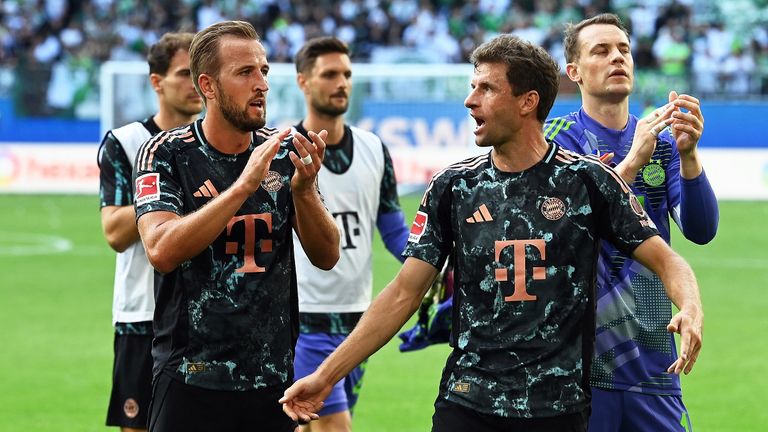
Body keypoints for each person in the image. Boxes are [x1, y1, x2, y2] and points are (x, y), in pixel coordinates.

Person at [281, 34, 703, 432]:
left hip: (557, 408)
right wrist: (324, 376)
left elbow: (668, 260)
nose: (469, 100)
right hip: (468, 402)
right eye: (472, 86)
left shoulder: (588, 181)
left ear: (527, 102)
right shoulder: (453, 187)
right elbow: (403, 293)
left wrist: (689, 307)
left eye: (486, 88)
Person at [133, 21, 340, 432]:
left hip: (271, 380)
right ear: (207, 85)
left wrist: (303, 193)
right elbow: (161, 250)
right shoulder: (166, 153)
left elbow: (328, 254)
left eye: (263, 71)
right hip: (190, 376)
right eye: (245, 72)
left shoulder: (283, 153)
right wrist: (242, 186)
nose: (261, 83)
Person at [544, 13, 718, 431]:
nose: (616, 57)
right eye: (600, 51)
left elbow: (701, 230)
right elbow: (563, 229)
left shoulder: (661, 143)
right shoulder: (557, 138)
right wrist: (632, 162)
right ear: (574, 72)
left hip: (654, 361)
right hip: (580, 367)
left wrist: (689, 155)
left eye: (623, 49)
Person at [290, 36, 410, 432]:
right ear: (303, 82)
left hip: (359, 322)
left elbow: (392, 228)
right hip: (302, 319)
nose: (341, 82)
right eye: (329, 74)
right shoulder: (280, 152)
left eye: (346, 74)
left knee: (305, 425)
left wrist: (433, 262)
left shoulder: (375, 149)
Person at [98, 32, 203, 432]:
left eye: (199, 73)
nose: (195, 84)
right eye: (183, 74)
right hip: (143, 313)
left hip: (204, 315)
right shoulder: (125, 144)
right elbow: (114, 232)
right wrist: (165, 198)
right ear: (156, 82)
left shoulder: (218, 143)